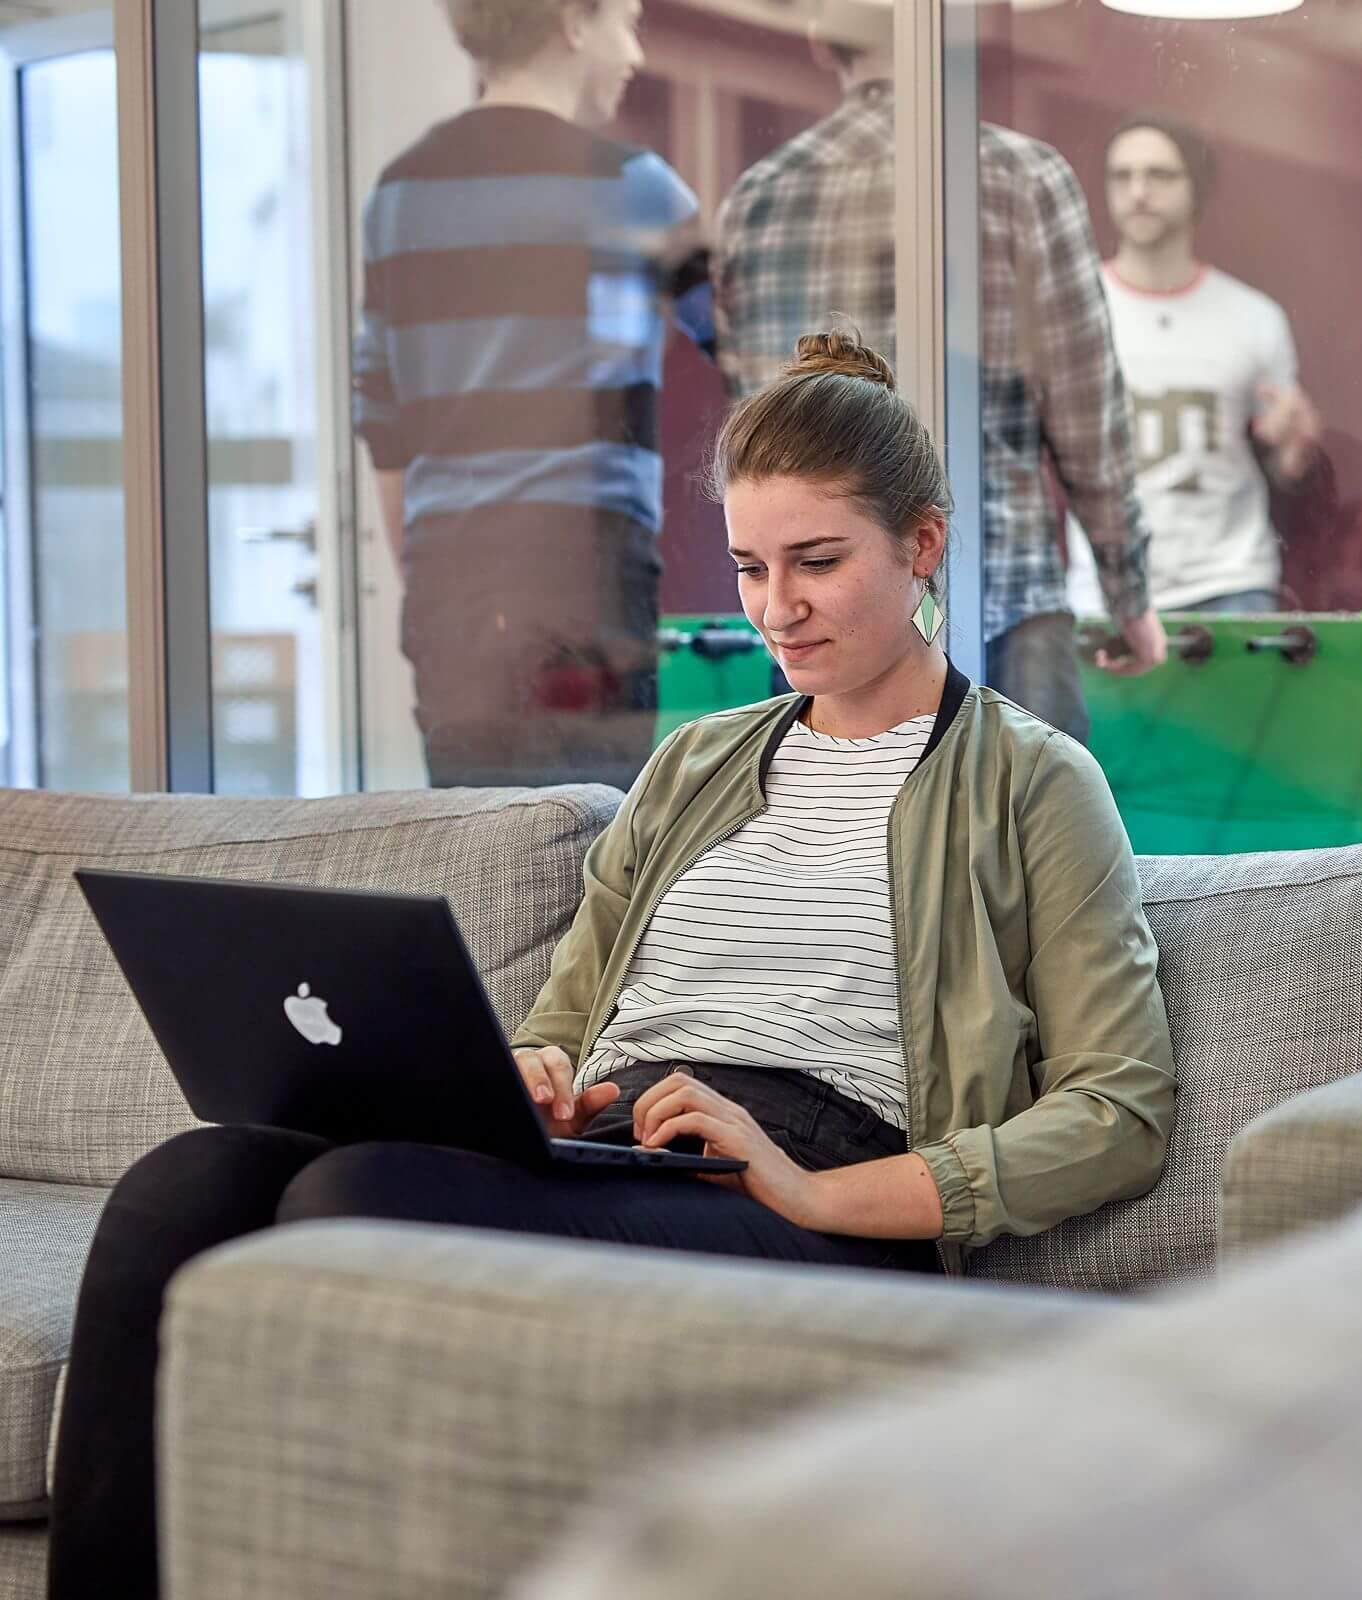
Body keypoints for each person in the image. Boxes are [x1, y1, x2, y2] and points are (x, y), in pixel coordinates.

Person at [46, 332, 1178, 1600]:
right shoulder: (693, 766)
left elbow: (1117, 1111)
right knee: (187, 1181)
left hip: (810, 1181)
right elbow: (568, 1016)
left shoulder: (1030, 780)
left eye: (817, 562)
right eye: (751, 566)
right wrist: (534, 1069)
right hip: (626, 1141)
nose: (776, 607)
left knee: (355, 1204)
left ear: (922, 545)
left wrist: (809, 1187)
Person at [715, 25, 1167, 743]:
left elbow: (759, 438)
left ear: (818, 40)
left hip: (814, 624)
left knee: (840, 845)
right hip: (1008, 596)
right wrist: (1129, 594)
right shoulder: (1021, 176)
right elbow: (1086, 412)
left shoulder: (756, 200)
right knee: (1039, 845)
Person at [352, 0, 716, 790]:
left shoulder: (398, 195)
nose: (635, 51)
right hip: (586, 568)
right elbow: (741, 342)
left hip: (451, 576)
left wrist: (433, 583)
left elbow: (384, 425)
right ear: (572, 23)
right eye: (626, 20)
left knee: (476, 853)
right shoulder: (636, 188)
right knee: (590, 845)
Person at [1065, 115, 1322, 617]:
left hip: (1230, 581)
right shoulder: (1071, 312)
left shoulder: (1254, 317)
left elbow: (1283, 470)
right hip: (1105, 591)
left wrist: (1295, 449)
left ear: (1196, 188)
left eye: (1159, 175)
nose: (1138, 192)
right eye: (1123, 176)